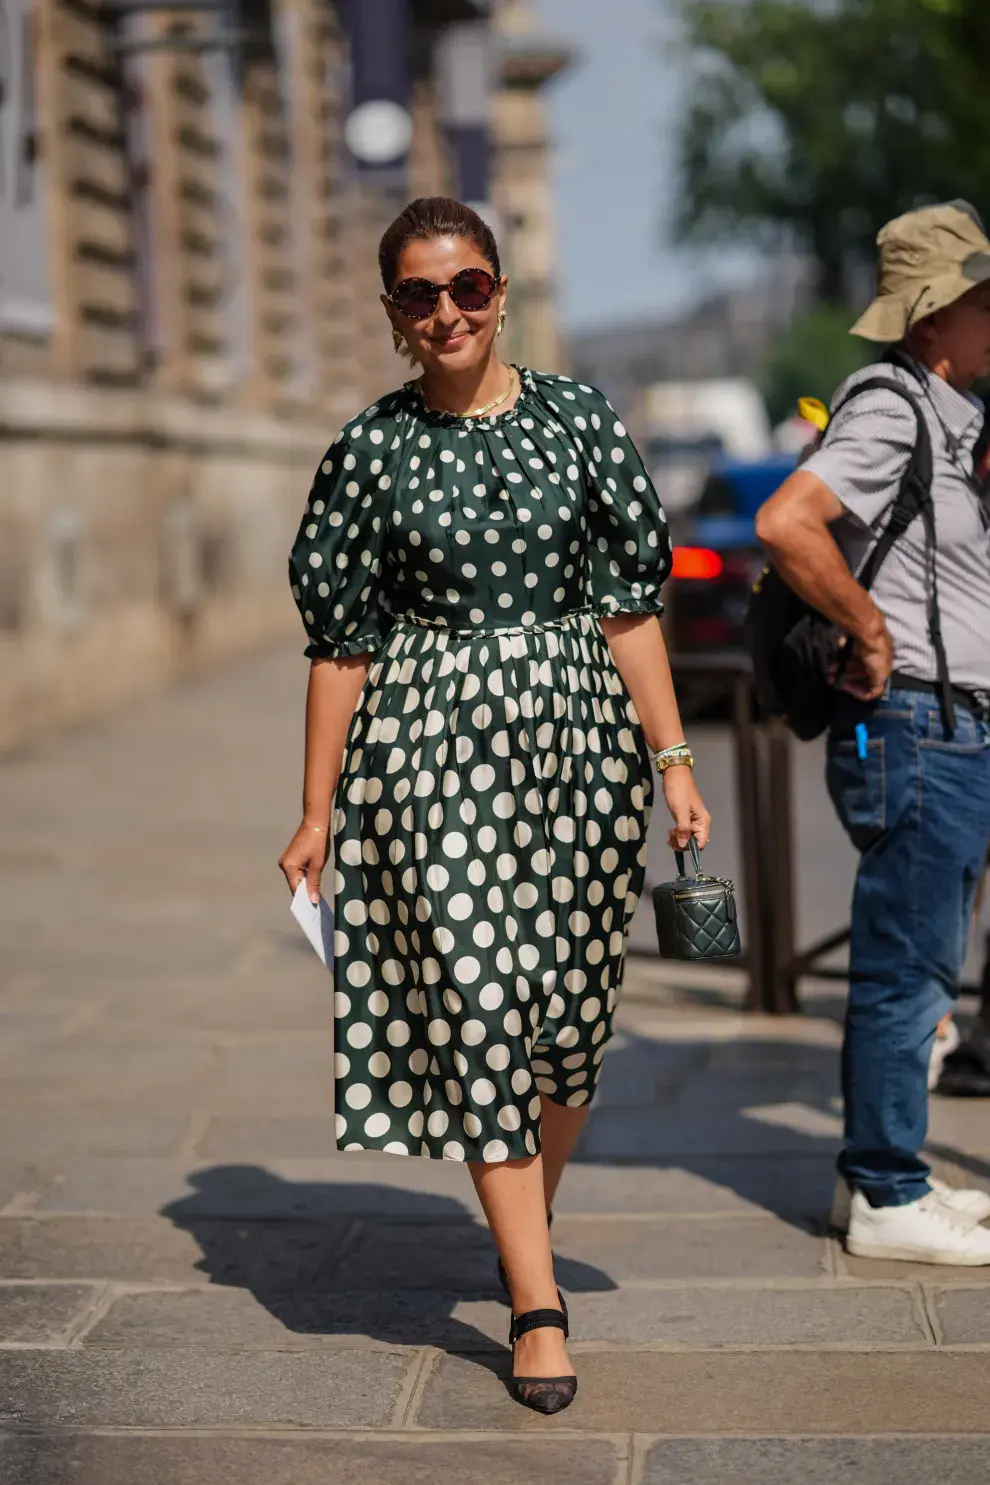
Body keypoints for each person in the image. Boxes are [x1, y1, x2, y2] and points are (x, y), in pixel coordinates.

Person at [278, 197, 710, 1410]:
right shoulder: (369, 450)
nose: (449, 311)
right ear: (393, 317)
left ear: (502, 290)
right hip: (424, 750)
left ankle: (518, 1205)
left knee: (566, 1028)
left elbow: (631, 609)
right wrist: (316, 813)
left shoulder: (580, 420)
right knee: (474, 1002)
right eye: (421, 295)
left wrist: (675, 765)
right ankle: (536, 1304)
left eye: (468, 286)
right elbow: (340, 647)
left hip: (579, 755)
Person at [756, 200, 990, 1264]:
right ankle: (888, 1192)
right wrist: (869, 629)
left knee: (923, 963)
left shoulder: (950, 409)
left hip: (950, 723)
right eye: (982, 299)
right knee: (909, 968)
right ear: (933, 316)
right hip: (914, 724)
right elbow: (786, 520)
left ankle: (879, 1182)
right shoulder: (893, 403)